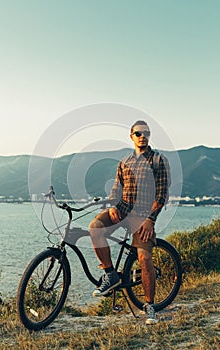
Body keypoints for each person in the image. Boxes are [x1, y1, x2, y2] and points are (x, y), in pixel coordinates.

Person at [89, 120, 170, 325]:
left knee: (144, 258)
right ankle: (110, 275)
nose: (142, 136)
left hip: (143, 217)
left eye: (146, 133)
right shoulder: (124, 162)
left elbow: (161, 195)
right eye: (138, 133)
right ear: (131, 136)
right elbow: (117, 189)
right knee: (95, 228)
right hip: (122, 211)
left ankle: (149, 307)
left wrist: (150, 220)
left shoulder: (159, 160)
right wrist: (113, 206)